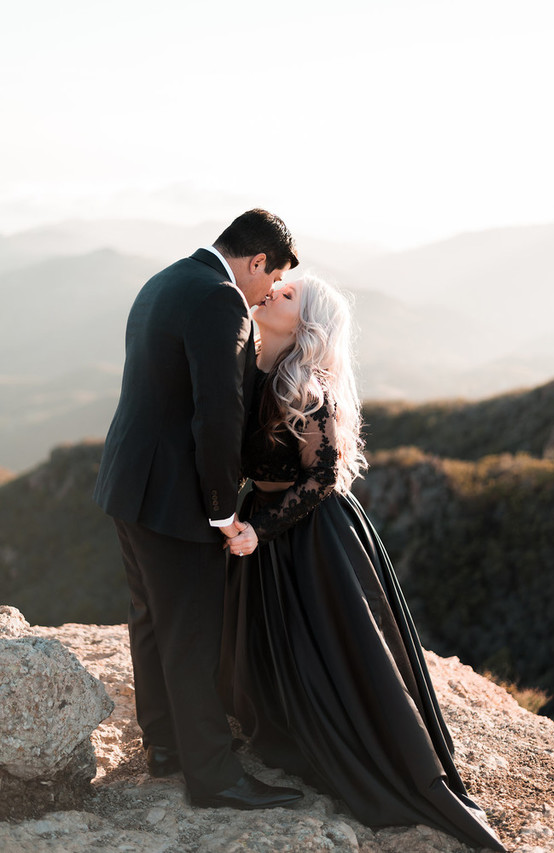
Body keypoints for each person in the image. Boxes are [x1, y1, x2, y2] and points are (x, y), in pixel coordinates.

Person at [220, 274, 506, 850]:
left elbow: (324, 477)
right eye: (277, 287)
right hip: (264, 524)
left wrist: (261, 528)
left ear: (308, 324)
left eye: (290, 294)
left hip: (311, 533)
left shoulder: (307, 386)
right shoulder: (254, 369)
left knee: (335, 650)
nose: (274, 291)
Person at [93, 209, 304, 810]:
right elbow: (217, 414)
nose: (267, 293)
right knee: (190, 634)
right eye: (274, 277)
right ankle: (215, 778)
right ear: (257, 259)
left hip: (128, 485)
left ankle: (165, 747)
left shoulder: (164, 279)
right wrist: (221, 511)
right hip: (174, 496)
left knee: (152, 620)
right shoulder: (221, 299)